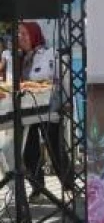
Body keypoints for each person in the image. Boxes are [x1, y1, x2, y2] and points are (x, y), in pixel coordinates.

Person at [12, 22, 69, 198]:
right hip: (25, 110)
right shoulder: (16, 58)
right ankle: (38, 188)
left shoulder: (49, 54)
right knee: (29, 151)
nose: (20, 38)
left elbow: (64, 77)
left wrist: (67, 102)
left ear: (35, 35)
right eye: (19, 34)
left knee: (55, 148)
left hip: (48, 106)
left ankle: (68, 187)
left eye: (24, 34)